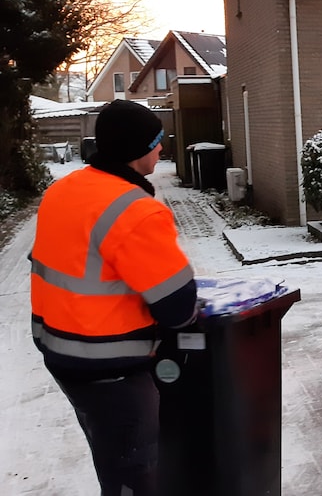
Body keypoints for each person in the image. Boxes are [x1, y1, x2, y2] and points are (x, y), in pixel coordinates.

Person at [30, 99, 199, 495]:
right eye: (156, 141)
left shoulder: (64, 190)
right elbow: (177, 307)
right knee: (133, 473)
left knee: (111, 456)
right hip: (110, 368)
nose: (162, 148)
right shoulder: (135, 211)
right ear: (135, 149)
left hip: (61, 352)